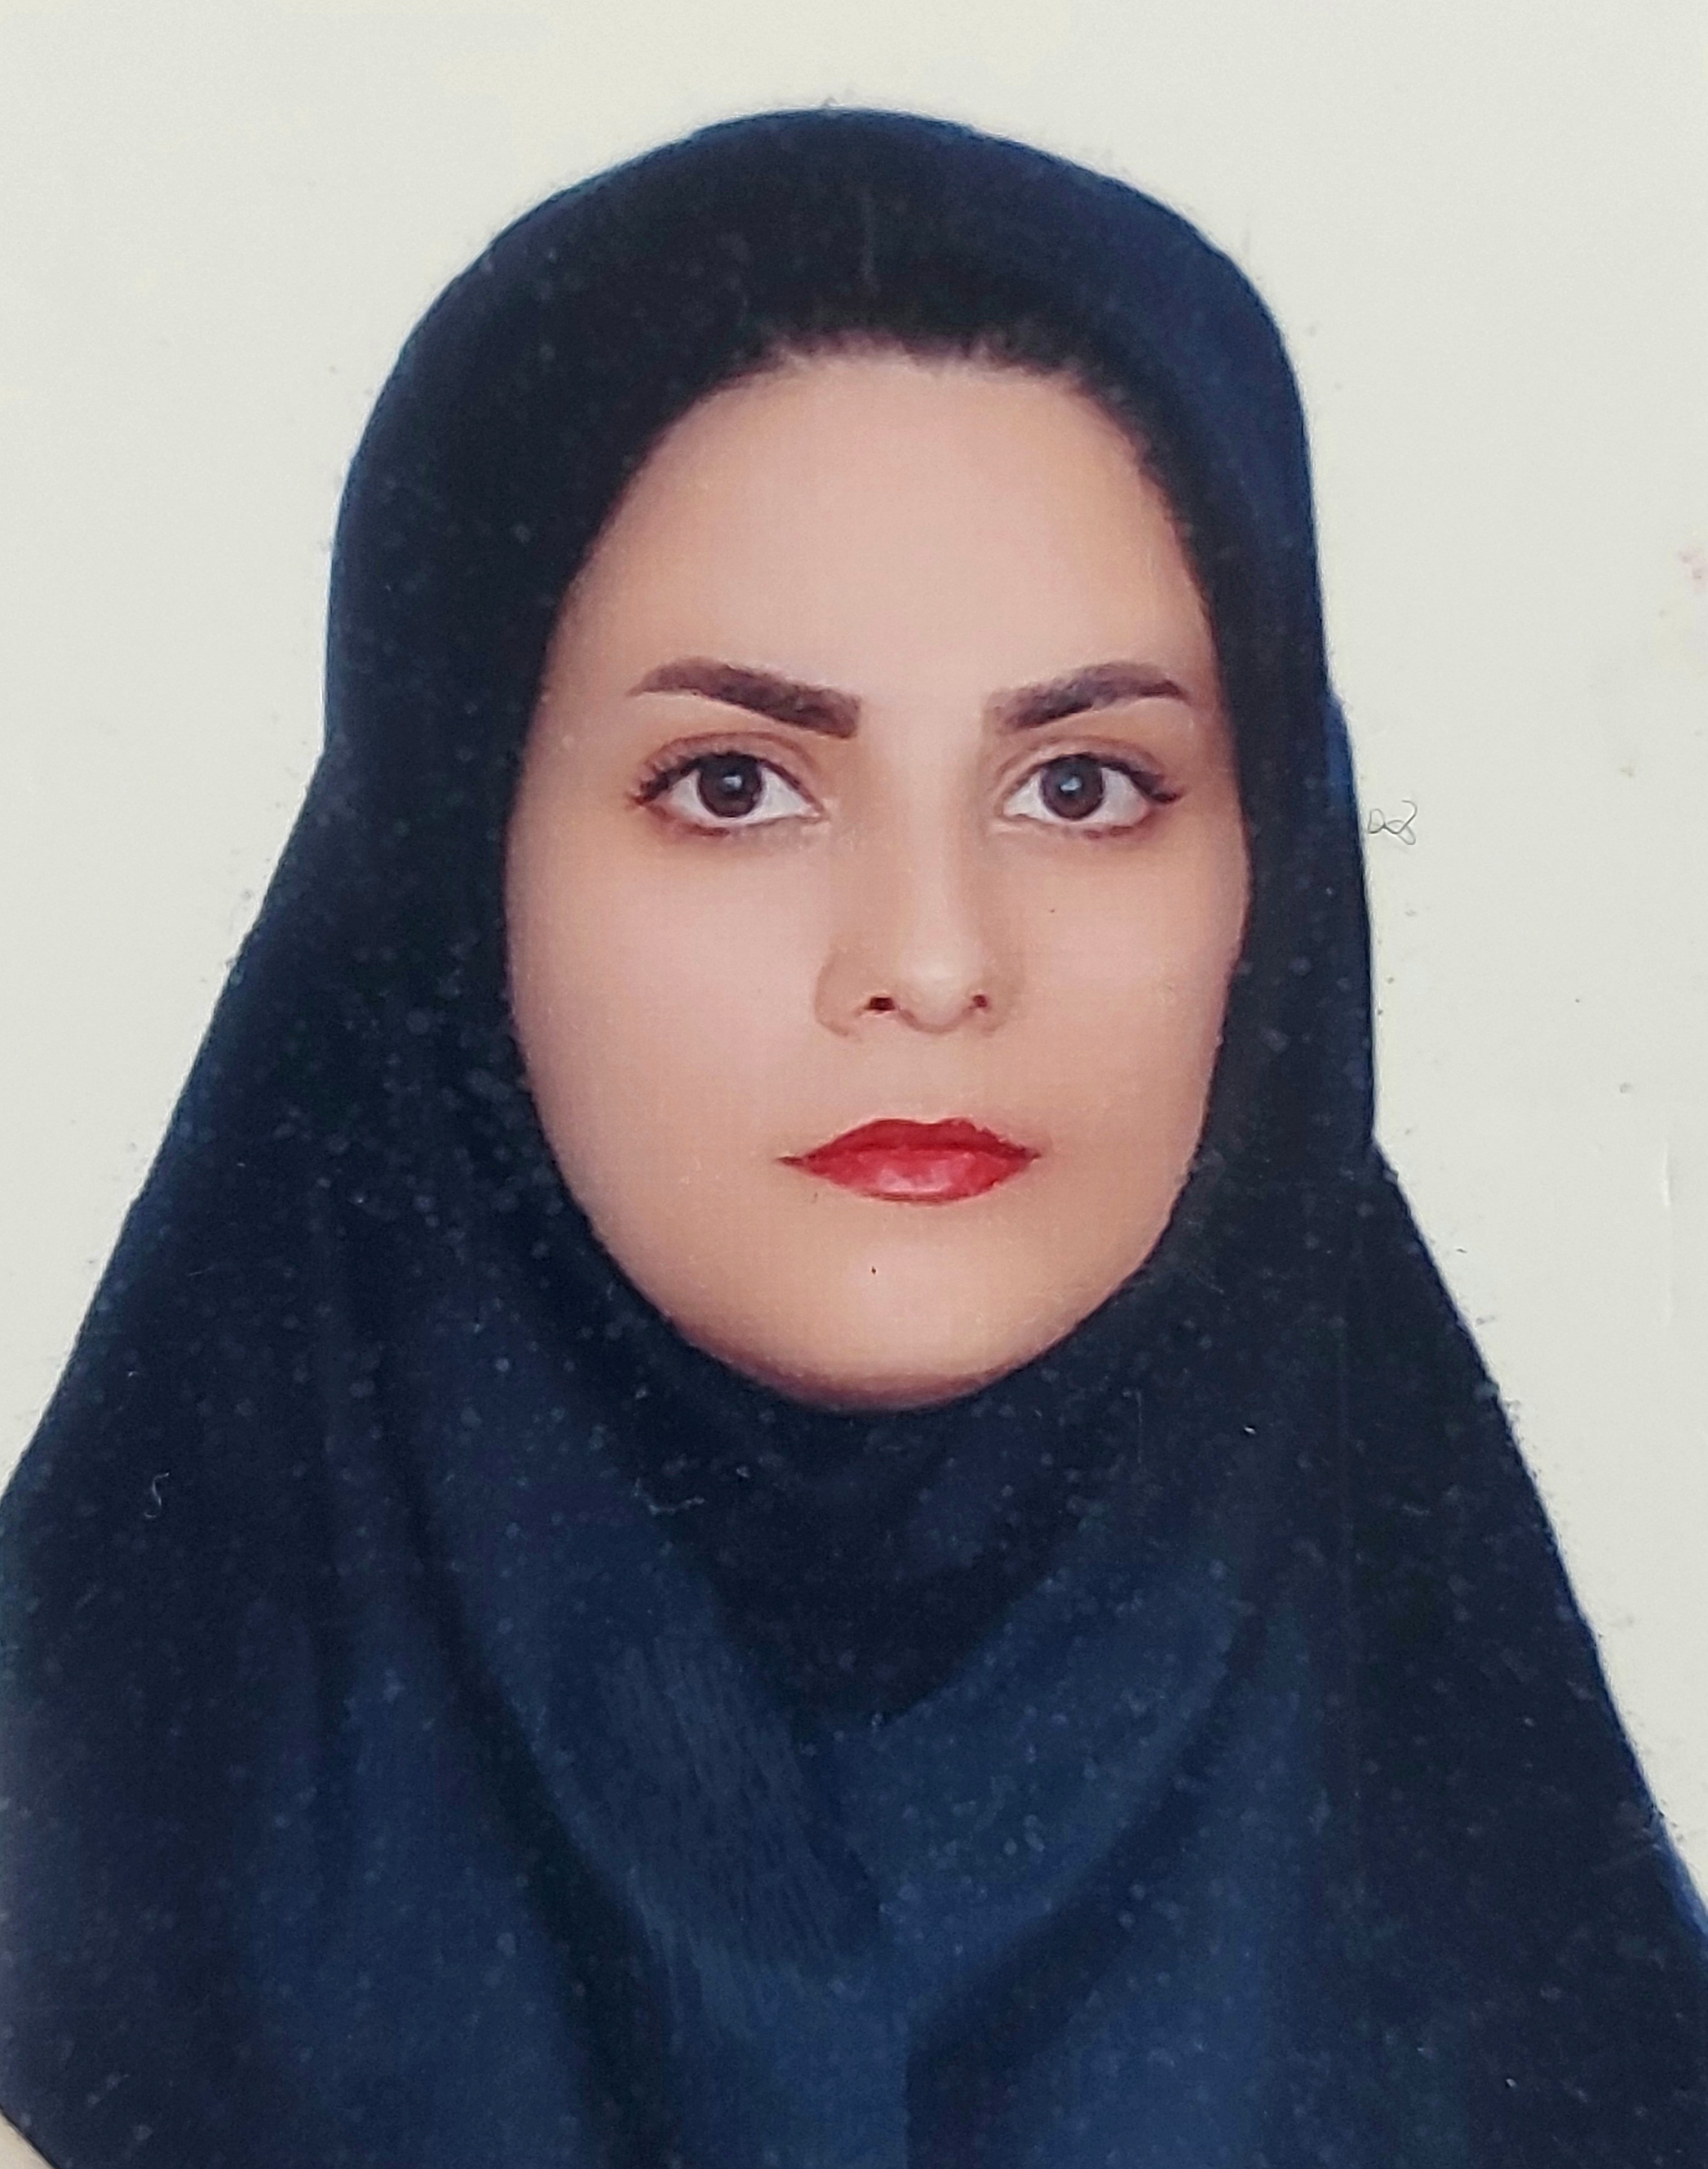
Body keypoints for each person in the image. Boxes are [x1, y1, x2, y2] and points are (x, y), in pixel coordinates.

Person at [1, 107, 1702, 2169]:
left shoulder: (1551, 2003)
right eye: (734, 785)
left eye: (1084, 786)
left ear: (1279, 878)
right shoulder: (56, 1927)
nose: (931, 961)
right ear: (454, 871)